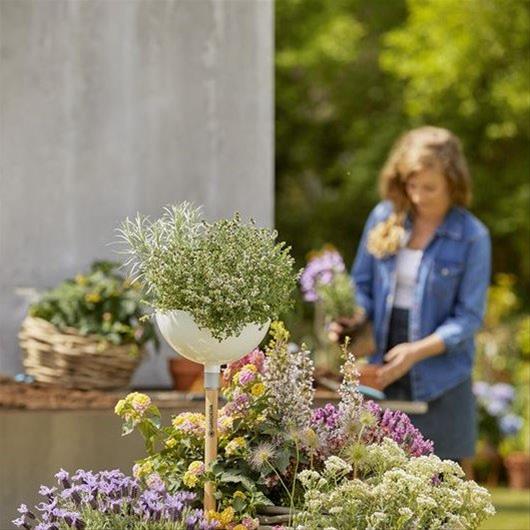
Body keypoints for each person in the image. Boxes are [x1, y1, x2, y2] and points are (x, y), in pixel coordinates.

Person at [332, 126, 491, 463]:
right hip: (383, 368)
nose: (418, 196)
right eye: (411, 185)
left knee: (444, 482)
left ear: (453, 183)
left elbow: (468, 318)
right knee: (375, 473)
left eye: (429, 187)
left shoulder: (473, 236)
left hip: (441, 377)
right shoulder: (384, 217)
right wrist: (353, 317)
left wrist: (415, 352)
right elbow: (362, 286)